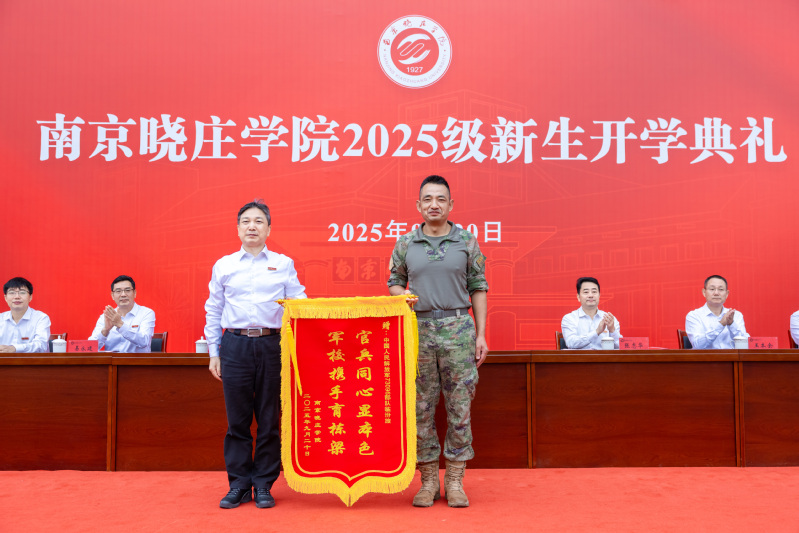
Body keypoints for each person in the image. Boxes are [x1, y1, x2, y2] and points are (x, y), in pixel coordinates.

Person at [388, 175, 488, 508]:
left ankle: (455, 481)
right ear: (418, 205)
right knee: (420, 407)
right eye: (428, 199)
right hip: (418, 330)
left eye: (441, 199)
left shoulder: (466, 241)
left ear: (450, 204)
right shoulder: (406, 243)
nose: (434, 204)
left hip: (458, 328)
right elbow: (394, 281)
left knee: (460, 406)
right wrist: (403, 295)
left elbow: (478, 287)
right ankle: (429, 481)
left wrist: (481, 334)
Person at [205, 200, 306, 510]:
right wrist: (214, 351)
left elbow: (299, 303)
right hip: (234, 345)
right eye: (246, 221)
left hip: (271, 345)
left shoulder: (283, 263)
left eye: (259, 221)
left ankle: (263, 484)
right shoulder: (224, 265)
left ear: (269, 229)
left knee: (268, 419)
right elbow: (214, 309)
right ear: (238, 229)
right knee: (237, 421)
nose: (252, 226)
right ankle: (238, 484)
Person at [89, 275, 155, 352]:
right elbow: (90, 347)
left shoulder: (146, 313)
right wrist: (105, 330)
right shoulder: (106, 316)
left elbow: (144, 341)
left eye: (127, 290)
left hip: (136, 360)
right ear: (112, 295)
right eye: (118, 291)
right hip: (111, 360)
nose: (123, 295)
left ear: (134, 293)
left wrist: (120, 324)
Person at [685, 275, 748, 349]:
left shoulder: (736, 315)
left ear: (727, 294)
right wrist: (721, 324)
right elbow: (698, 345)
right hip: (706, 356)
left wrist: (731, 324)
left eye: (721, 289)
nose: (716, 293)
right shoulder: (694, 316)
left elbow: (746, 345)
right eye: (712, 289)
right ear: (704, 292)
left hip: (731, 356)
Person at [561, 277, 620, 349]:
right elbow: (571, 343)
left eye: (594, 292)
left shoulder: (610, 319)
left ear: (599, 295)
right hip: (580, 356)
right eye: (586, 292)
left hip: (603, 356)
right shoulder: (569, 318)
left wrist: (612, 330)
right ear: (578, 297)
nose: (591, 295)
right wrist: (596, 332)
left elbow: (619, 347)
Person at [0, 277, 50, 353]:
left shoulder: (41, 318)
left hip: (33, 360)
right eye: (12, 292)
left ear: (30, 297)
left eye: (22, 292)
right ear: (5, 298)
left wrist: (14, 349)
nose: (17, 297)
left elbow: (41, 346)